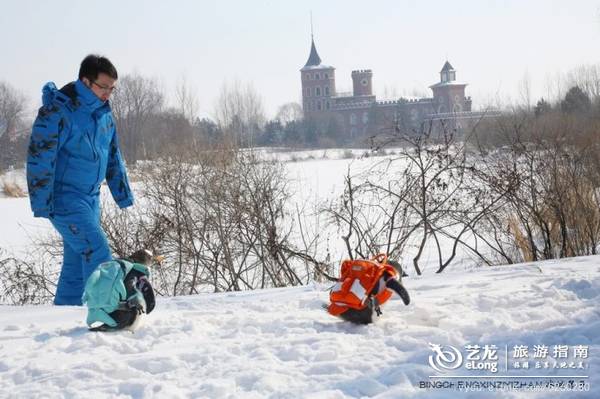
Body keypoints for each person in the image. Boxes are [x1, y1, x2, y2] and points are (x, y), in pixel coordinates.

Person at [26, 54, 133, 306]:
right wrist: (42, 203)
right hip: (64, 198)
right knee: (97, 251)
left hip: (91, 198)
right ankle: (108, 310)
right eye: (103, 86)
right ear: (86, 82)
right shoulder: (57, 112)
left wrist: (122, 194)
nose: (108, 93)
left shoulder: (104, 114)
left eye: (112, 88)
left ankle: (64, 317)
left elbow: (113, 155)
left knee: (75, 265)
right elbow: (39, 159)